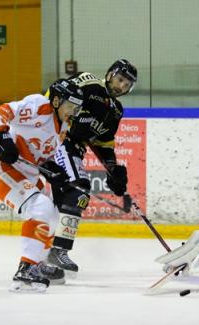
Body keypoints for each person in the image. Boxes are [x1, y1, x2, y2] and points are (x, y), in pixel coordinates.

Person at [0, 79, 84, 292]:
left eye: (76, 108)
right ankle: (25, 270)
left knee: (54, 214)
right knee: (40, 208)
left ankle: (38, 262)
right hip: (0, 167)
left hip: (26, 173)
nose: (73, 112)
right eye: (70, 106)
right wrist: (3, 137)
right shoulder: (38, 106)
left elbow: (40, 154)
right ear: (56, 100)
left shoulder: (64, 124)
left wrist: (51, 169)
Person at [45, 59, 137, 275]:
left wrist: (113, 170)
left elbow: (103, 142)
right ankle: (58, 251)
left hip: (74, 148)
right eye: (120, 79)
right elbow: (54, 97)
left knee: (66, 199)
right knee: (79, 190)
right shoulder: (90, 84)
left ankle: (46, 250)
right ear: (110, 73)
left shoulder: (116, 110)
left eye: (127, 84)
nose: (121, 86)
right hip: (57, 140)